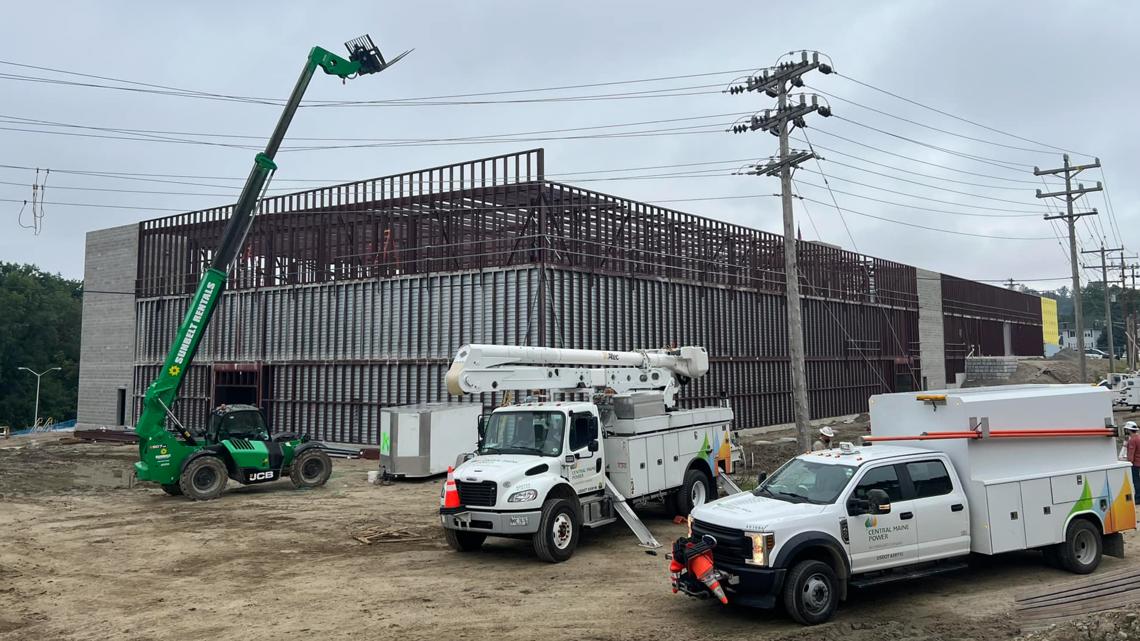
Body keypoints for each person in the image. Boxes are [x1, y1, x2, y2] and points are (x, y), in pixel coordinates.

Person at [1125, 422, 1140, 502]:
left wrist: (1128, 463)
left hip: (1135, 465)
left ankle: (1138, 498)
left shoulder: (1132, 440)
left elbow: (1131, 454)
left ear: (1129, 430)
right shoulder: (1139, 437)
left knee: (1136, 481)